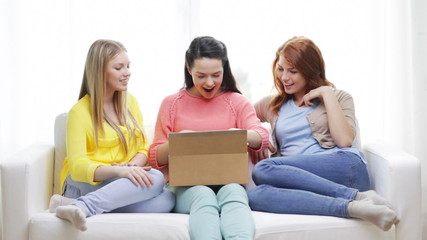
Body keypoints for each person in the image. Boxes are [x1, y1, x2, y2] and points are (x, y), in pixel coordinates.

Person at [248, 36, 398, 231]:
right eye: (281, 68)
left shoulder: (340, 97)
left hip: (344, 168)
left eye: (293, 71)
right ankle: (353, 206)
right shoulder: (272, 105)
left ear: (309, 70)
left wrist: (326, 94)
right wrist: (257, 138)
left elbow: (344, 141)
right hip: (304, 181)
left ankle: (358, 196)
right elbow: (241, 116)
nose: (284, 77)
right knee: (254, 196)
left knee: (263, 169)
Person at [148, 36, 270, 240]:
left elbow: (262, 137)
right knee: (203, 195)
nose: (209, 82)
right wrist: (178, 142)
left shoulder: (237, 102)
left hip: (229, 182)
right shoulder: (171, 103)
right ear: (189, 69)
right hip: (185, 188)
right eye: (201, 75)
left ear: (224, 69)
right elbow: (155, 157)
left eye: (216, 74)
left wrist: (238, 135)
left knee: (234, 193)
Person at [48, 39, 175, 231]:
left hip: (119, 181)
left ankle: (73, 204)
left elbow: (143, 146)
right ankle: (82, 205)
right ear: (100, 72)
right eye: (119, 68)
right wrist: (119, 171)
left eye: (128, 66)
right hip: (83, 181)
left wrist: (134, 165)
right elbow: (78, 166)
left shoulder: (130, 103)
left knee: (167, 199)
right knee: (156, 178)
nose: (127, 73)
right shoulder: (79, 113)